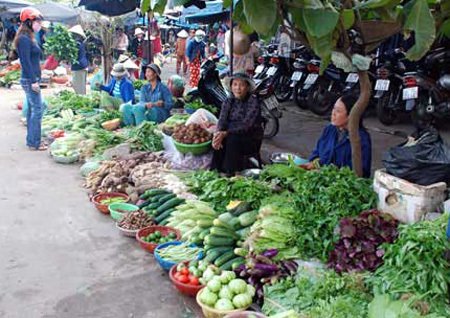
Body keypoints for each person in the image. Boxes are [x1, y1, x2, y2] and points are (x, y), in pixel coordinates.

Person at [301, 93, 372, 178]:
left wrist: (326, 174)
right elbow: (317, 152)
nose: (333, 113)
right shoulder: (330, 129)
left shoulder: (361, 139)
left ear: (351, 116)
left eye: (338, 111)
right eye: (333, 109)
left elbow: (360, 173)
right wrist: (313, 164)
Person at [211, 73, 263, 175]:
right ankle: (216, 170)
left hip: (251, 136)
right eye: (235, 84)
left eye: (241, 85)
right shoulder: (228, 100)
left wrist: (226, 133)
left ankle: (231, 171)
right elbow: (222, 119)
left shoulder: (253, 102)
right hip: (231, 132)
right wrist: (219, 132)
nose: (238, 88)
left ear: (247, 87)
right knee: (218, 138)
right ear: (231, 86)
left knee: (232, 138)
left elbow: (246, 125)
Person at [14, 7, 45, 151]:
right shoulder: (23, 39)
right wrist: (33, 81)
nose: (40, 25)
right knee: (37, 110)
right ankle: (35, 142)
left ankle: (32, 141)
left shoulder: (29, 37)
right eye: (38, 21)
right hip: (29, 79)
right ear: (29, 21)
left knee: (32, 109)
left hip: (32, 78)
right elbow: (25, 62)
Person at [69, 25, 88, 95]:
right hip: (81, 66)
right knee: (80, 86)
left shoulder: (77, 43)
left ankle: (83, 102)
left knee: (79, 88)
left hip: (79, 67)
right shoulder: (80, 43)